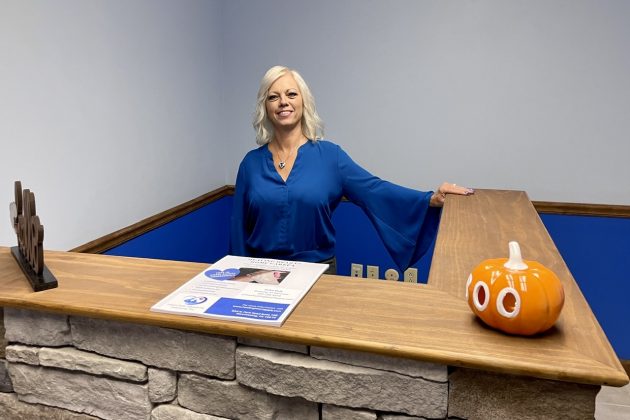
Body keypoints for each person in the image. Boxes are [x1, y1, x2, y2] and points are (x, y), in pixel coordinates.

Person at [230, 65, 473, 275]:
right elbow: (238, 230)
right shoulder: (250, 164)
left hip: (317, 275)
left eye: (291, 94)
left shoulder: (331, 157)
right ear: (265, 107)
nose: (283, 102)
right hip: (260, 275)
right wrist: (238, 282)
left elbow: (374, 190)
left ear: (304, 102)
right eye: (273, 97)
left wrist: (430, 199)